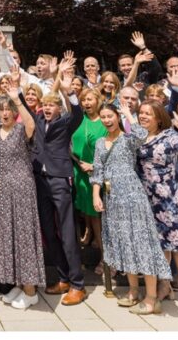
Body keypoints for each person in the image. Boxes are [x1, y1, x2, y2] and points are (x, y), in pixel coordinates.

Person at [91, 104, 171, 316]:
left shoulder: (128, 139)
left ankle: (152, 297)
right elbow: (98, 170)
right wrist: (96, 195)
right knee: (124, 244)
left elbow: (141, 133)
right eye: (103, 117)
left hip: (133, 196)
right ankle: (133, 290)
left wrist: (129, 114)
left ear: (117, 117)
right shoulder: (100, 142)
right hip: (112, 198)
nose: (107, 120)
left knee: (142, 243)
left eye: (110, 116)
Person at [136, 99, 178, 315]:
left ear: (158, 117)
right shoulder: (139, 136)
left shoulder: (170, 136)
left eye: (148, 113)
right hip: (146, 200)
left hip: (169, 199)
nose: (143, 116)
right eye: (141, 113)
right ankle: (164, 286)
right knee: (159, 246)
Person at [0, 88, 44, 310]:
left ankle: (31, 291)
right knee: (8, 236)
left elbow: (33, 126)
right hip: (2, 190)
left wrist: (17, 100)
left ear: (14, 111)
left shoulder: (21, 129)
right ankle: (19, 284)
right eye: (1, 109)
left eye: (8, 109)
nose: (5, 113)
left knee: (23, 236)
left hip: (22, 188)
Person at [32, 91, 87, 306]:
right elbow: (23, 108)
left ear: (58, 108)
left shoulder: (65, 122)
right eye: (44, 105)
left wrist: (70, 92)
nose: (47, 108)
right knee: (48, 231)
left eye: (51, 105)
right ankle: (64, 277)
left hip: (59, 180)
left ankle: (77, 285)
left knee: (66, 232)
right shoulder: (37, 119)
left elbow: (78, 115)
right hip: (40, 180)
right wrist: (16, 90)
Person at [70, 87, 108, 273]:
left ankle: (106, 259)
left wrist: (94, 166)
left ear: (98, 100)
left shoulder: (105, 121)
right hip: (80, 175)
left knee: (101, 220)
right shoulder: (78, 119)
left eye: (90, 99)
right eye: (83, 99)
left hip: (101, 176)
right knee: (91, 218)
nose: (86, 103)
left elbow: (113, 149)